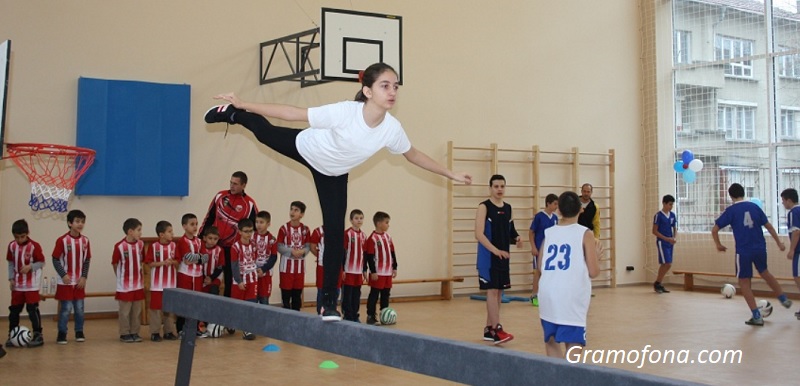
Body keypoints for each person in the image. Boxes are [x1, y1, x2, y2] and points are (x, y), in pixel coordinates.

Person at [204, 62, 472, 321]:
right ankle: (233, 114)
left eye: (395, 87)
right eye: (385, 85)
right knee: (265, 133)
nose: (392, 91)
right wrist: (243, 103)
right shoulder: (346, 112)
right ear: (368, 91)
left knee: (334, 234)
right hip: (306, 148)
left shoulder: (391, 129)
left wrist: (450, 173)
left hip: (333, 175)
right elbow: (292, 113)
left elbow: (413, 155)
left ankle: (329, 304)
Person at [711, 183, 793, 326]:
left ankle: (756, 315)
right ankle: (783, 297)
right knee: (765, 272)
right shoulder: (754, 207)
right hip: (760, 248)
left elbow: (714, 229)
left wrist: (718, 244)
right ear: (743, 193)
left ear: (731, 196)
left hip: (743, 251)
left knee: (743, 281)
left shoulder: (731, 210)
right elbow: (769, 226)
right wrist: (779, 243)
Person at [538, 191, 601, 358]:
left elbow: (540, 265)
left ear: (558, 210)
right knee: (573, 346)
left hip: (547, 293)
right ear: (581, 209)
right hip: (570, 294)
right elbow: (593, 272)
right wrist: (597, 257)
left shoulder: (549, 232)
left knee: (551, 341)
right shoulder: (585, 233)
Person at [475, 175, 522, 344]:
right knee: (492, 291)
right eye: (496, 186)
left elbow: (511, 230)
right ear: (490, 188)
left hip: (503, 257)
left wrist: (517, 238)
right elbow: (478, 234)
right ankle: (496, 329)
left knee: (499, 292)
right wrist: (495, 250)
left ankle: (489, 329)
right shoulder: (484, 207)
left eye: (502, 186)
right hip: (489, 257)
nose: (499, 189)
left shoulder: (508, 208)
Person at [199, 171, 258, 298]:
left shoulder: (250, 203)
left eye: (235, 184)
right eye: (231, 183)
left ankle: (228, 310)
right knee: (208, 276)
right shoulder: (220, 196)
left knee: (230, 280)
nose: (232, 186)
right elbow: (209, 217)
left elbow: (255, 227)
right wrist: (200, 239)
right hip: (215, 246)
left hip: (233, 249)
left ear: (244, 185)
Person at [51, 209, 92, 345]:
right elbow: (55, 259)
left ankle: (79, 331)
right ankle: (62, 333)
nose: (80, 224)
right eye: (77, 221)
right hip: (66, 282)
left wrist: (84, 277)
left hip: (79, 281)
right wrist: (63, 275)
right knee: (66, 309)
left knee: (79, 308)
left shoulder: (85, 241)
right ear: (70, 223)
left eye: (82, 222)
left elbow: (87, 260)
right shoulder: (62, 240)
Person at [6, 219, 45, 348]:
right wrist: (11, 278)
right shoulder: (11, 246)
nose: (19, 240)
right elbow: (11, 263)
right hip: (17, 285)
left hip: (31, 285)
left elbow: (41, 262)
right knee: (14, 311)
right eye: (16, 237)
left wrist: (30, 267)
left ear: (27, 233)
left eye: (22, 237)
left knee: (32, 309)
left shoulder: (35, 246)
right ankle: (12, 335)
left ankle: (38, 334)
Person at [111, 218, 145, 344]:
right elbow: (114, 263)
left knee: (136, 311)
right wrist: (120, 278)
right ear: (130, 231)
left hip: (138, 284)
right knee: (125, 311)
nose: (140, 233)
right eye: (139, 230)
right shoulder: (119, 246)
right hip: (125, 286)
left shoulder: (140, 245)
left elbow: (142, 261)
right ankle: (124, 333)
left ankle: (135, 332)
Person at [144, 221, 178, 342]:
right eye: (169, 232)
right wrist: (162, 263)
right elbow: (149, 263)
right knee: (156, 310)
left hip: (171, 285)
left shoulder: (174, 246)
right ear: (161, 234)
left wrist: (172, 262)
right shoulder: (154, 247)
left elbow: (178, 260)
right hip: (157, 285)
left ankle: (169, 331)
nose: (172, 234)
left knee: (169, 309)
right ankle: (155, 332)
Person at [175, 213, 205, 336]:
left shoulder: (199, 241)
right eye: (192, 224)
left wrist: (196, 258)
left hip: (197, 276)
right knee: (184, 302)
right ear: (184, 226)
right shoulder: (182, 241)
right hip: (185, 275)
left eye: (196, 224)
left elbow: (205, 258)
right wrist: (198, 258)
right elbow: (187, 259)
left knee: (196, 302)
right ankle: (181, 328)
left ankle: (195, 327)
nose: (195, 227)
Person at [277, 201, 310, 311]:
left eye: (296, 210)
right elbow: (279, 246)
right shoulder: (283, 229)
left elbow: (308, 246)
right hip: (286, 269)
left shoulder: (305, 230)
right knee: (286, 297)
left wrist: (302, 252)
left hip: (299, 269)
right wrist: (291, 251)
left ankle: (297, 319)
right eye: (291, 209)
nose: (292, 212)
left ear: (302, 214)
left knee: (297, 297)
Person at [365, 211, 397, 325]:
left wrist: (394, 267)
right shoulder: (372, 238)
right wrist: (373, 271)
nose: (388, 225)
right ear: (379, 224)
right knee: (374, 294)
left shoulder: (388, 237)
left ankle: (385, 314)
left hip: (387, 272)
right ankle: (371, 316)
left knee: (386, 294)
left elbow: (392, 252)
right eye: (386, 222)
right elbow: (369, 256)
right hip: (378, 272)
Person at [528, 193, 559, 307]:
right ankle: (534, 294)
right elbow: (531, 232)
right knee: (538, 272)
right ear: (548, 203)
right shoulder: (539, 216)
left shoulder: (555, 218)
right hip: (539, 249)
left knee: (550, 272)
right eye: (555, 204)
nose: (556, 206)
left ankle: (547, 295)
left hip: (551, 250)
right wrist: (533, 247)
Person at [231, 218, 258, 340]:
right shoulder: (235, 247)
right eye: (246, 231)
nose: (249, 234)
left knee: (251, 304)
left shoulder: (253, 245)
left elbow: (254, 259)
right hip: (240, 280)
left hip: (252, 279)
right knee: (237, 305)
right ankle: (230, 324)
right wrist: (239, 281)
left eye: (251, 231)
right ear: (240, 232)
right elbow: (234, 265)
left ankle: (248, 329)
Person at [309, 225, 342, 315]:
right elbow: (312, 247)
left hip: (337, 266)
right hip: (322, 266)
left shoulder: (339, 230)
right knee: (321, 289)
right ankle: (320, 312)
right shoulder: (318, 231)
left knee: (336, 289)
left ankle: (332, 310)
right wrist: (322, 257)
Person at [341, 210, 367, 322]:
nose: (359, 220)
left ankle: (355, 315)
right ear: (351, 220)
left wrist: (364, 270)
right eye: (356, 218)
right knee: (347, 294)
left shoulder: (364, 236)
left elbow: (364, 254)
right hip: (348, 270)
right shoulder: (347, 234)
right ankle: (347, 314)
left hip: (358, 271)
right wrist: (342, 269)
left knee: (357, 294)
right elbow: (343, 252)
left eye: (361, 218)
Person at [780, 188, 800, 319]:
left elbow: (796, 231)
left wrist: (792, 249)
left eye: (783, 201)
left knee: (798, 278)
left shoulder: (793, 212)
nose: (783, 204)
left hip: (799, 250)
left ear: (789, 200)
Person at [652, 195, 677, 294]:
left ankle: (659, 283)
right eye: (670, 204)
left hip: (670, 242)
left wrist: (674, 237)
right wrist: (666, 238)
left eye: (672, 205)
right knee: (667, 263)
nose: (671, 206)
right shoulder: (658, 216)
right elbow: (654, 231)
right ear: (664, 203)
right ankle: (657, 282)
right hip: (662, 242)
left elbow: (675, 228)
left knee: (667, 264)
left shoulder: (672, 215)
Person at [254, 211, 278, 305]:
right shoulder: (252, 236)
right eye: (257, 222)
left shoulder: (272, 239)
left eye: (261, 222)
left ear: (268, 224)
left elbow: (273, 257)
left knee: (264, 300)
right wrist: (254, 269)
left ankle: (265, 320)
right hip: (252, 274)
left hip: (266, 274)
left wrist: (263, 269)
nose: (258, 225)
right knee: (253, 299)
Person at [200, 226, 224, 296]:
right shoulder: (200, 248)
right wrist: (204, 277)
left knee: (214, 292)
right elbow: (198, 264)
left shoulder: (220, 250)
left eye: (215, 239)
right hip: (202, 276)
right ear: (204, 238)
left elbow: (221, 266)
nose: (212, 241)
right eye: (210, 238)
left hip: (215, 277)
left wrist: (211, 278)